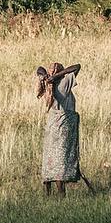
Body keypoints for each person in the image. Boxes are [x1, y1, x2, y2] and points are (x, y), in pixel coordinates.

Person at [36, 62, 92, 197]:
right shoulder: (64, 82)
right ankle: (61, 193)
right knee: (60, 159)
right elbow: (77, 66)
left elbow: (39, 69)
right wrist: (58, 75)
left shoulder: (47, 85)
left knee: (50, 158)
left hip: (52, 126)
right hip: (63, 125)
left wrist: (47, 76)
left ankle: (48, 193)